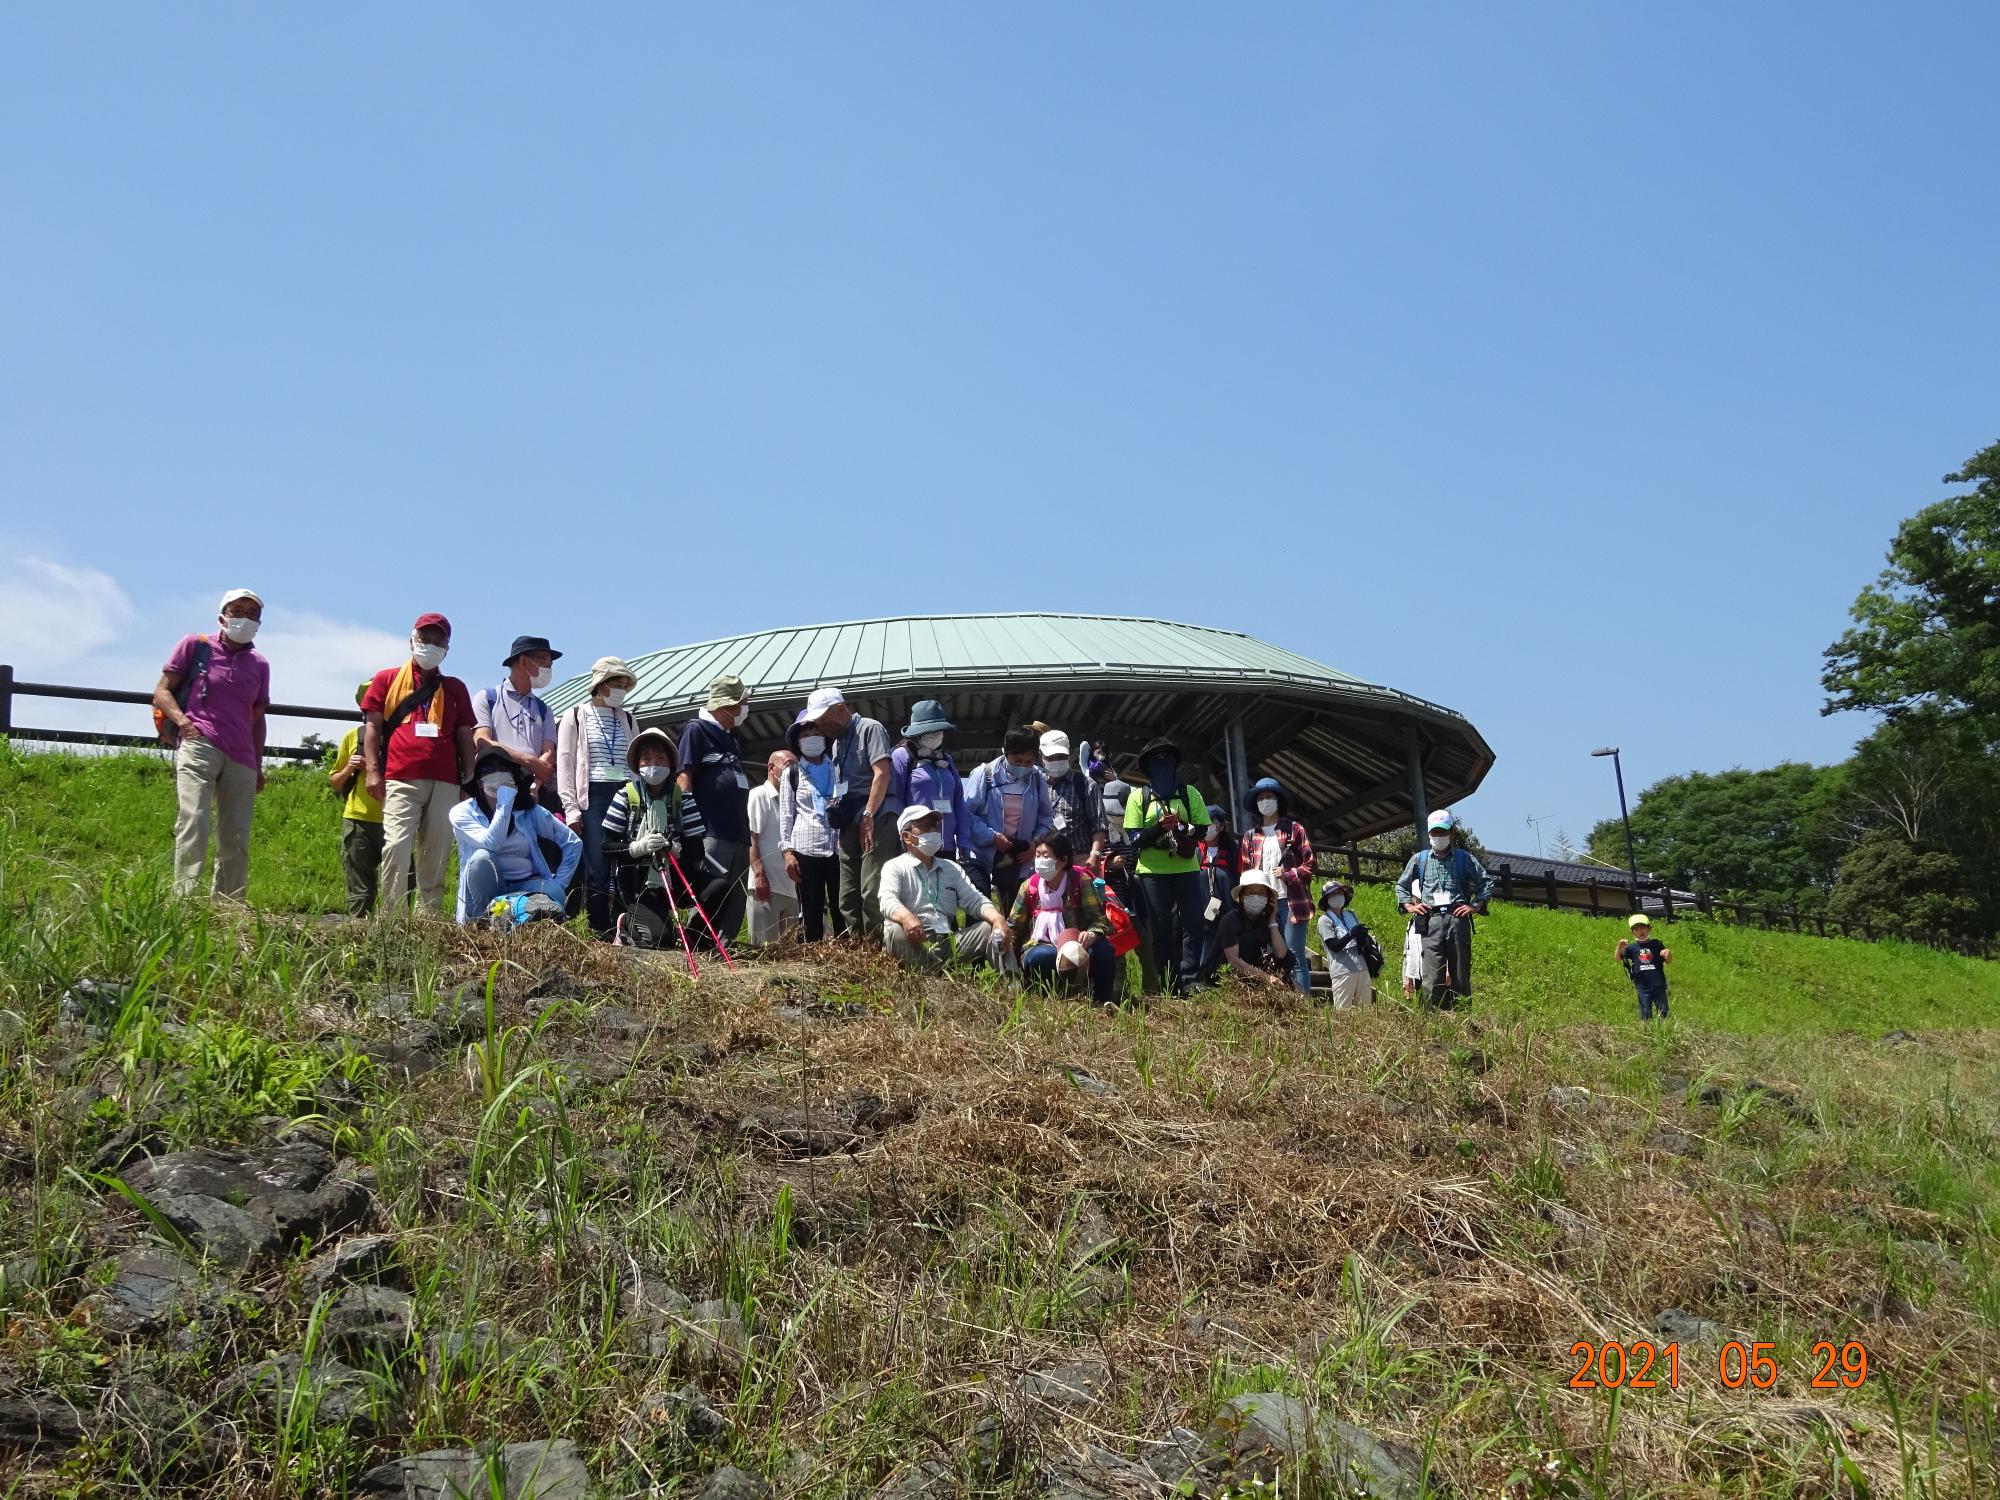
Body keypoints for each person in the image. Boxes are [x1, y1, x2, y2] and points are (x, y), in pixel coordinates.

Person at [155, 588, 271, 900]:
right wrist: (182, 722)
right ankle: (184, 899)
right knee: (194, 820)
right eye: (238, 611)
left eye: (252, 614)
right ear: (222, 616)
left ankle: (229, 907)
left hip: (243, 757)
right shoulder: (195, 645)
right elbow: (162, 692)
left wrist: (258, 766)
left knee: (236, 835)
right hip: (199, 742)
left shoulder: (259, 664)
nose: (245, 618)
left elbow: (257, 718)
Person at [363, 613, 477, 917]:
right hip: (401, 776)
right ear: (412, 640)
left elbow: (465, 734)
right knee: (396, 845)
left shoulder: (455, 688)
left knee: (436, 853)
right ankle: (391, 918)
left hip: (446, 782)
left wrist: (469, 779)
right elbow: (373, 726)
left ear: (447, 648)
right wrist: (373, 770)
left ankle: (429, 921)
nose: (431, 645)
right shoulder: (386, 679)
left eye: (438, 641)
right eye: (425, 638)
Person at [803, 687, 897, 945]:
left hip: (875, 817)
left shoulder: (870, 728)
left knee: (871, 890)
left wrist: (869, 814)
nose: (821, 725)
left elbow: (882, 774)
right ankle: (858, 949)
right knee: (847, 894)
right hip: (848, 821)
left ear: (841, 708)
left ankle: (878, 951)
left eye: (823, 718)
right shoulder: (836, 744)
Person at [555, 656, 640, 937]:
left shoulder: (628, 719)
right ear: (600, 685)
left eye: (625, 685)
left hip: (626, 794)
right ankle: (598, 927)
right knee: (598, 864)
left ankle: (625, 925)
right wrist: (571, 808)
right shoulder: (576, 715)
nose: (621, 690)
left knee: (626, 860)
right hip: (593, 795)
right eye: (617, 683)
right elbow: (565, 763)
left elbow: (637, 763)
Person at [449, 748, 581, 924]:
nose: (497, 774)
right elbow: (491, 844)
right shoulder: (462, 812)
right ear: (479, 782)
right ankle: (482, 926)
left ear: (513, 778)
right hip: (487, 890)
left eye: (503, 768)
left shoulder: (529, 811)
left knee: (555, 892)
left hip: (523, 887)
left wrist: (559, 882)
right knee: (482, 858)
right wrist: (504, 801)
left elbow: (573, 843)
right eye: (489, 770)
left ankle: (521, 921)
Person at [1121, 737, 1210, 996]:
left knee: (1193, 923)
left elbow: (1202, 830)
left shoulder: (1189, 793)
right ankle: (1167, 981)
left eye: (1166, 758)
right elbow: (1135, 839)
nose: (1162, 763)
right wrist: (1159, 828)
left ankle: (1190, 977)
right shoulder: (1138, 796)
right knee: (1160, 928)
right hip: (1152, 872)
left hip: (1187, 868)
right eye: (1155, 759)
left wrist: (1181, 827)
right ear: (1147, 767)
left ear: (1175, 764)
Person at [878, 806, 1013, 972]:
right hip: (913, 940)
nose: (934, 831)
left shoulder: (951, 868)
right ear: (907, 836)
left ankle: (1012, 987)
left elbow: (975, 900)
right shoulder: (894, 867)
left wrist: (998, 919)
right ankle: (928, 983)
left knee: (990, 929)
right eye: (926, 826)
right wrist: (906, 918)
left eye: (935, 826)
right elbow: (887, 900)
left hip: (947, 942)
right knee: (896, 931)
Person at [602, 728, 698, 945]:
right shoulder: (625, 796)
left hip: (674, 877)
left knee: (719, 888)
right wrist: (637, 848)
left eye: (660, 758)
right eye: (646, 759)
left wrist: (675, 848)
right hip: (639, 881)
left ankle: (693, 936)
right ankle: (627, 923)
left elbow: (697, 850)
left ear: (671, 764)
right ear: (637, 765)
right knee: (659, 940)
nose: (653, 763)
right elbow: (607, 847)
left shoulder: (683, 798)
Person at [678, 673, 754, 946]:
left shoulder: (731, 739)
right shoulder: (696, 729)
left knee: (735, 895)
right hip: (711, 828)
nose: (745, 709)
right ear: (726, 705)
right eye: (742, 703)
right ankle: (697, 943)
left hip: (738, 831)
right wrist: (689, 820)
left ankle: (724, 946)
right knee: (712, 890)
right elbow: (684, 775)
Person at [1394, 809, 1494, 1008]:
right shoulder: (1420, 859)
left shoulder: (1464, 858)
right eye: (1435, 833)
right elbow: (1400, 885)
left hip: (1457, 918)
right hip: (1430, 920)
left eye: (1443, 832)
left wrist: (1475, 906)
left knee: (1460, 972)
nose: (1438, 837)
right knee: (1431, 974)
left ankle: (1462, 1016)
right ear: (1429, 834)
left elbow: (1487, 882)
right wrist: (1410, 905)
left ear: (1452, 833)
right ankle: (1432, 1020)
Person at [1010, 832, 1119, 1007]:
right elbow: (1014, 925)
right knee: (1041, 957)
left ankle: (1102, 1000)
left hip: (1078, 945)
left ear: (1063, 860)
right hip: (1041, 945)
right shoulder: (1029, 886)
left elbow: (1100, 920)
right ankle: (1049, 1000)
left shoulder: (1080, 880)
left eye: (1045, 856)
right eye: (1037, 855)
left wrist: (1091, 934)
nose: (1040, 860)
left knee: (1103, 951)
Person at [1236, 777, 1317, 994]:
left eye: (1270, 797)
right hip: (1263, 903)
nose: (1265, 801)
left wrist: (1289, 874)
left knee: (1294, 954)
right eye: (1261, 798)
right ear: (1256, 804)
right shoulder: (1250, 836)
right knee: (1271, 954)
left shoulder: (1294, 829)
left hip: (1291, 903)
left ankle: (1304, 1004)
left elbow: (1310, 865)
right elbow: (1245, 874)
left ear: (1278, 800)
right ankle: (1280, 1002)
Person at [965, 726, 1054, 912]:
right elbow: (967, 814)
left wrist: (1035, 844)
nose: (1023, 766)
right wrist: (991, 837)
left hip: (1020, 858)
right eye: (1017, 760)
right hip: (983, 855)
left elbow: (1045, 817)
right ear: (1005, 753)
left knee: (1020, 910)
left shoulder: (1037, 778)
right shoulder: (985, 774)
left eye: (1029, 761)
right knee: (981, 907)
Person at [779, 709, 846, 943]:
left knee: (842, 907)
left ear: (825, 737)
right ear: (798, 741)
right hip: (806, 849)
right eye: (806, 734)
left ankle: (846, 953)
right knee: (811, 908)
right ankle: (814, 956)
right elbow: (786, 814)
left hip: (837, 847)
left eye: (816, 732)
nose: (812, 738)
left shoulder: (837, 768)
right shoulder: (792, 773)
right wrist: (787, 852)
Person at [473, 635, 561, 811]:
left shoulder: (544, 709)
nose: (549, 666)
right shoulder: (488, 698)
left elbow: (548, 753)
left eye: (550, 662)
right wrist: (528, 760)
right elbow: (482, 742)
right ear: (523, 661)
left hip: (533, 788)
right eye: (543, 660)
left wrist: (535, 784)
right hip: (495, 781)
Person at [328, 681, 388, 917]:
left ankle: (396, 937)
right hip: (358, 819)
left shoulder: (401, 737)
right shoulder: (353, 737)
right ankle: (358, 937)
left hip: (396, 820)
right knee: (360, 891)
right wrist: (348, 769)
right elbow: (335, 782)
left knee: (405, 884)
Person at [891, 700, 971, 864]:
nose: (937, 735)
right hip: (916, 845)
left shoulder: (947, 760)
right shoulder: (901, 756)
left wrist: (964, 843)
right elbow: (895, 801)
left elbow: (959, 804)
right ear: (917, 733)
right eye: (930, 731)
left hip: (947, 847)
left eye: (939, 730)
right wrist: (901, 840)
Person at [746, 749, 802, 945]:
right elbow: (751, 837)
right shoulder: (759, 795)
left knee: (790, 956)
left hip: (790, 890)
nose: (794, 770)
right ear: (772, 768)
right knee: (764, 952)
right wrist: (759, 875)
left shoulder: (795, 802)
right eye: (788, 764)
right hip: (766, 888)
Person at [1040, 730, 1107, 872]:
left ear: (1069, 755)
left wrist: (1095, 855)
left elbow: (1099, 825)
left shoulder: (1086, 784)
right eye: (1051, 757)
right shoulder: (1036, 785)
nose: (1057, 760)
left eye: (1061, 756)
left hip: (1079, 862)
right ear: (1042, 757)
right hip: (1045, 863)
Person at [1215, 870, 1291, 990]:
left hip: (1255, 976)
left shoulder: (1267, 920)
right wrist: (1266, 978)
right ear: (1241, 897)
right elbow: (1233, 961)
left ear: (1268, 898)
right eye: (1250, 892)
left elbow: (1281, 954)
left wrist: (1272, 921)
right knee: (1249, 939)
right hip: (1223, 977)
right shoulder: (1230, 920)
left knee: (1289, 958)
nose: (1256, 896)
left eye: (1261, 893)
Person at [1195, 803, 1238, 981]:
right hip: (1201, 903)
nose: (1206, 827)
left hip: (1225, 902)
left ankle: (1222, 975)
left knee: (1225, 934)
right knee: (1204, 935)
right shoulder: (1193, 849)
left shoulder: (1232, 849)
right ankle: (1200, 975)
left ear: (1220, 825)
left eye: (1209, 822)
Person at [1316, 881, 1374, 1009]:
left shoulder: (1351, 915)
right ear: (1327, 899)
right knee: (1343, 1014)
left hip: (1362, 968)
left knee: (1366, 1013)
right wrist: (1351, 934)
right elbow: (1334, 946)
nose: (1337, 896)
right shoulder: (1324, 920)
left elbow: (1360, 939)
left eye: (1339, 892)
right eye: (1333, 894)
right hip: (1342, 971)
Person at [1616, 914, 1673, 1021]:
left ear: (1649, 928)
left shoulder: (1657, 944)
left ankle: (1665, 1033)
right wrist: (1620, 946)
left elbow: (1668, 960)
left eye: (1642, 928)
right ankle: (1646, 1034)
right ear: (1632, 932)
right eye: (1636, 929)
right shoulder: (1631, 948)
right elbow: (1618, 959)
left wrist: (1668, 953)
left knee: (1664, 1012)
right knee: (1645, 1014)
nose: (1640, 931)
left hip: (1659, 984)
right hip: (1642, 986)